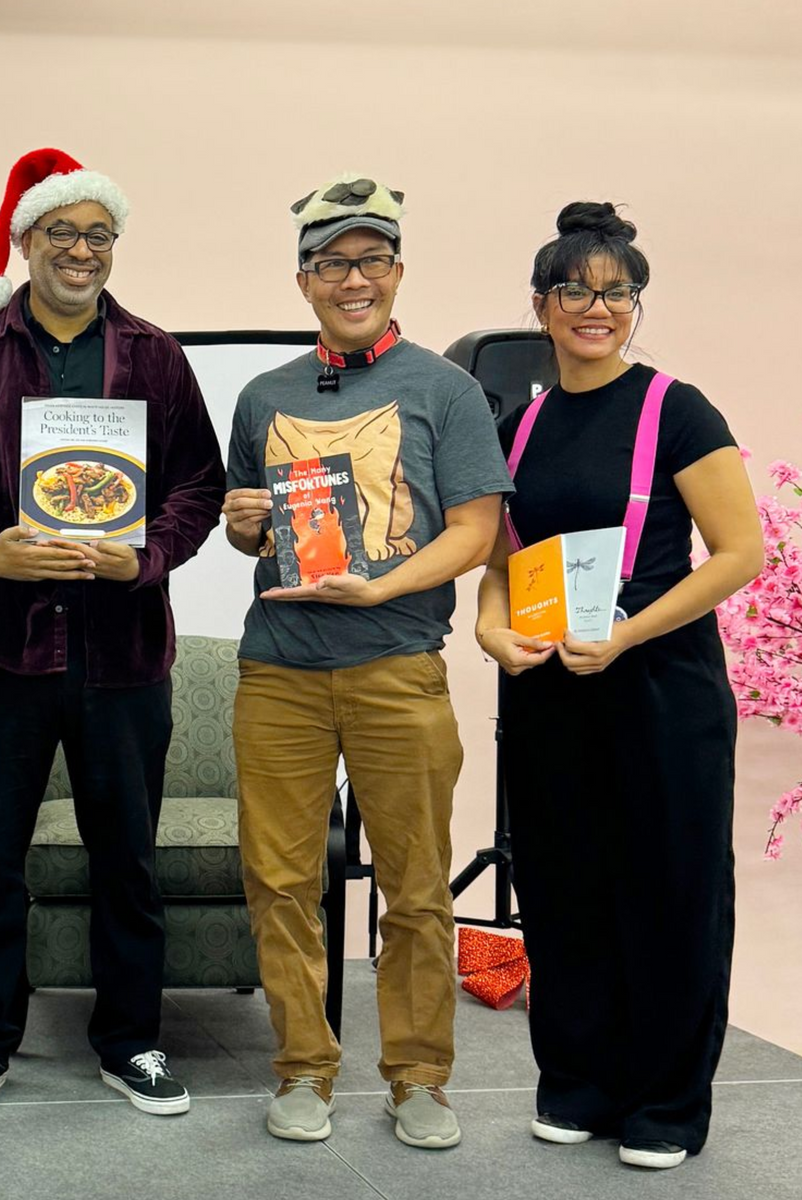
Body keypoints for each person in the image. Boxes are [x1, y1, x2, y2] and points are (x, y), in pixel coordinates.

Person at [0, 148, 226, 1118]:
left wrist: (148, 558)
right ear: (26, 241)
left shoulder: (158, 356)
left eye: (99, 234)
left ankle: (130, 1041)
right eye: (62, 232)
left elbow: (198, 488)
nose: (81, 250)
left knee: (128, 856)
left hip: (124, 654)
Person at [220, 175, 511, 1150]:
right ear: (303, 281)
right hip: (279, 677)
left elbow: (476, 530)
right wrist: (244, 524)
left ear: (397, 271)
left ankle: (419, 1077)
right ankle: (303, 1070)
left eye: (371, 260)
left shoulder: (447, 388)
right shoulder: (264, 397)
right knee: (280, 881)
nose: (354, 279)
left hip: (397, 667)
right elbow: (254, 533)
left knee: (419, 888)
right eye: (333, 263)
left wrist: (382, 590)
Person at [475, 203, 760, 1171]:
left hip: (661, 689)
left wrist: (630, 633)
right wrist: (488, 629)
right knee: (562, 887)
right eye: (576, 291)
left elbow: (738, 552)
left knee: (670, 890)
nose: (596, 308)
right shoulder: (517, 424)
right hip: (552, 690)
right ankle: (578, 1083)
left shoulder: (678, 410)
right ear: (542, 306)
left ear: (633, 307)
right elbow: (505, 561)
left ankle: (667, 1103)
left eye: (616, 293)